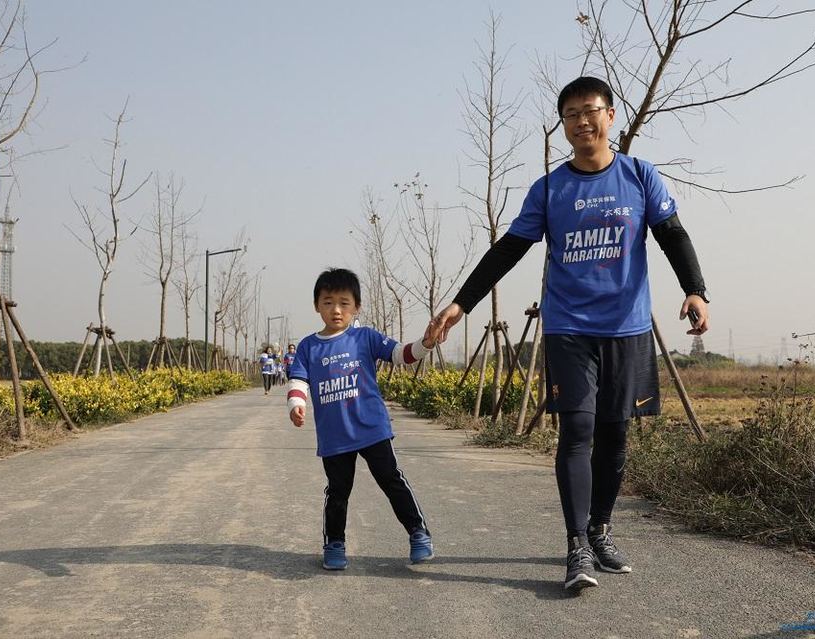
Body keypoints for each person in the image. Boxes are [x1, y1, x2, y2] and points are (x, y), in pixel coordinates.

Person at [427, 76, 709, 592]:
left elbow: (672, 234)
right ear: (564, 126)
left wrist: (696, 290)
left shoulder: (640, 176)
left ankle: (601, 529)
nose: (582, 120)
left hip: (627, 329)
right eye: (571, 114)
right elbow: (509, 248)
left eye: (590, 110)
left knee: (616, 435)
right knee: (578, 431)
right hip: (569, 329)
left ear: (611, 116)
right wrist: (460, 304)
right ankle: (576, 545)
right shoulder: (551, 189)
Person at [287, 267, 436, 570]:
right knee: (338, 491)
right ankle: (334, 543)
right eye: (328, 302)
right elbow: (299, 379)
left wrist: (426, 343)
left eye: (344, 302)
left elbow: (400, 354)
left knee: (392, 480)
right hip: (335, 436)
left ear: (356, 306)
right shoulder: (308, 346)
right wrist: (296, 403)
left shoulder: (365, 337)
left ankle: (418, 533)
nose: (336, 310)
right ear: (317, 306)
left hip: (372, 429)